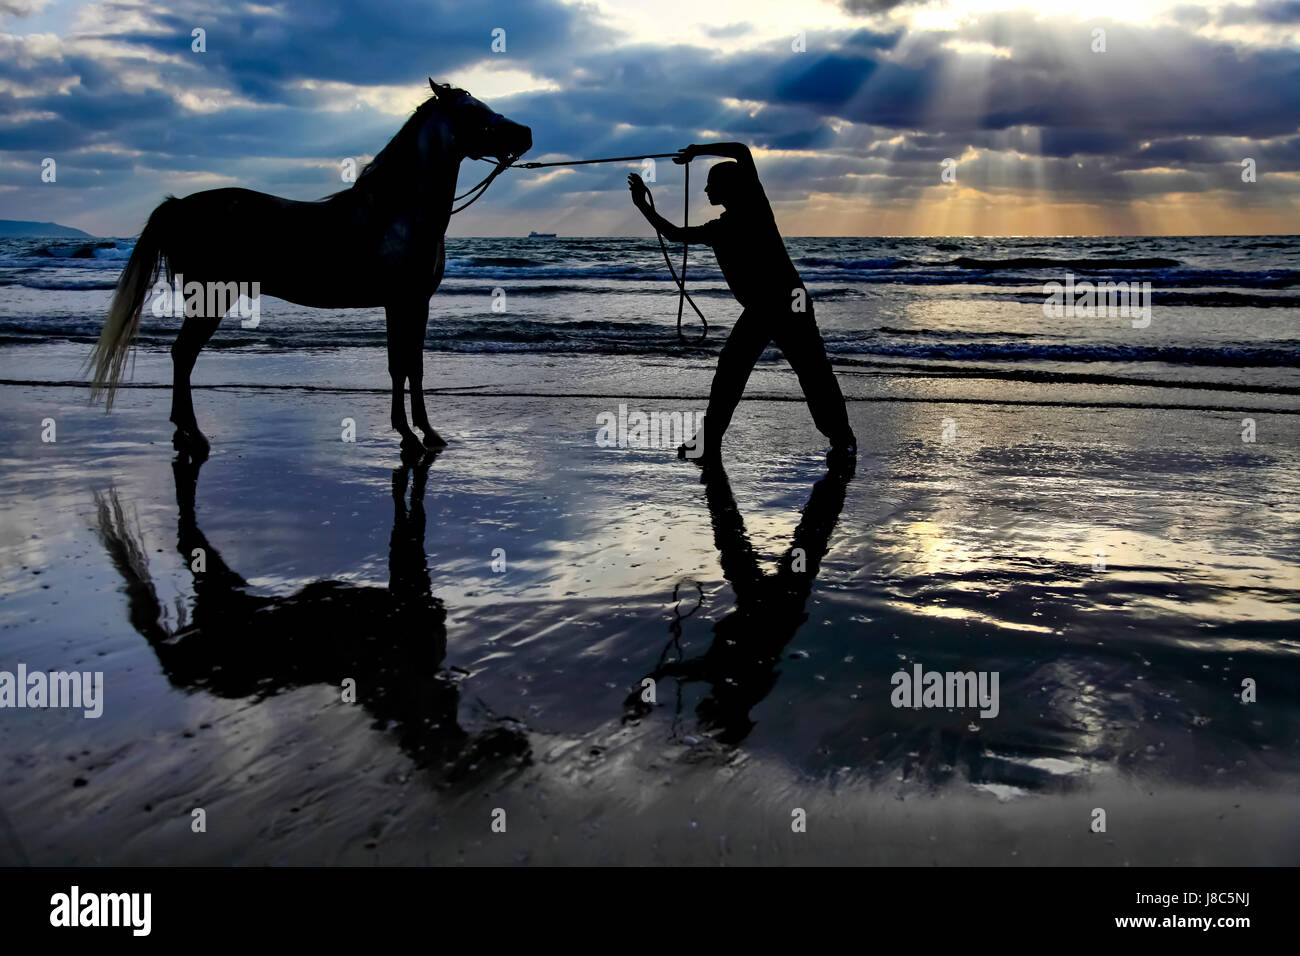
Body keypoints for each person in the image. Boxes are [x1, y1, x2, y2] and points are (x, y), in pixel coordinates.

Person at [628, 142, 856, 467]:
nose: (706, 189)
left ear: (729, 187)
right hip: (768, 307)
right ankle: (709, 444)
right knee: (739, 371)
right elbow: (676, 234)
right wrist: (643, 205)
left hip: (786, 303)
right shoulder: (720, 228)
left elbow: (741, 151)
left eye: (711, 184)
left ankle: (842, 439)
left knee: (808, 372)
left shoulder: (755, 208)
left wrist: (696, 151)